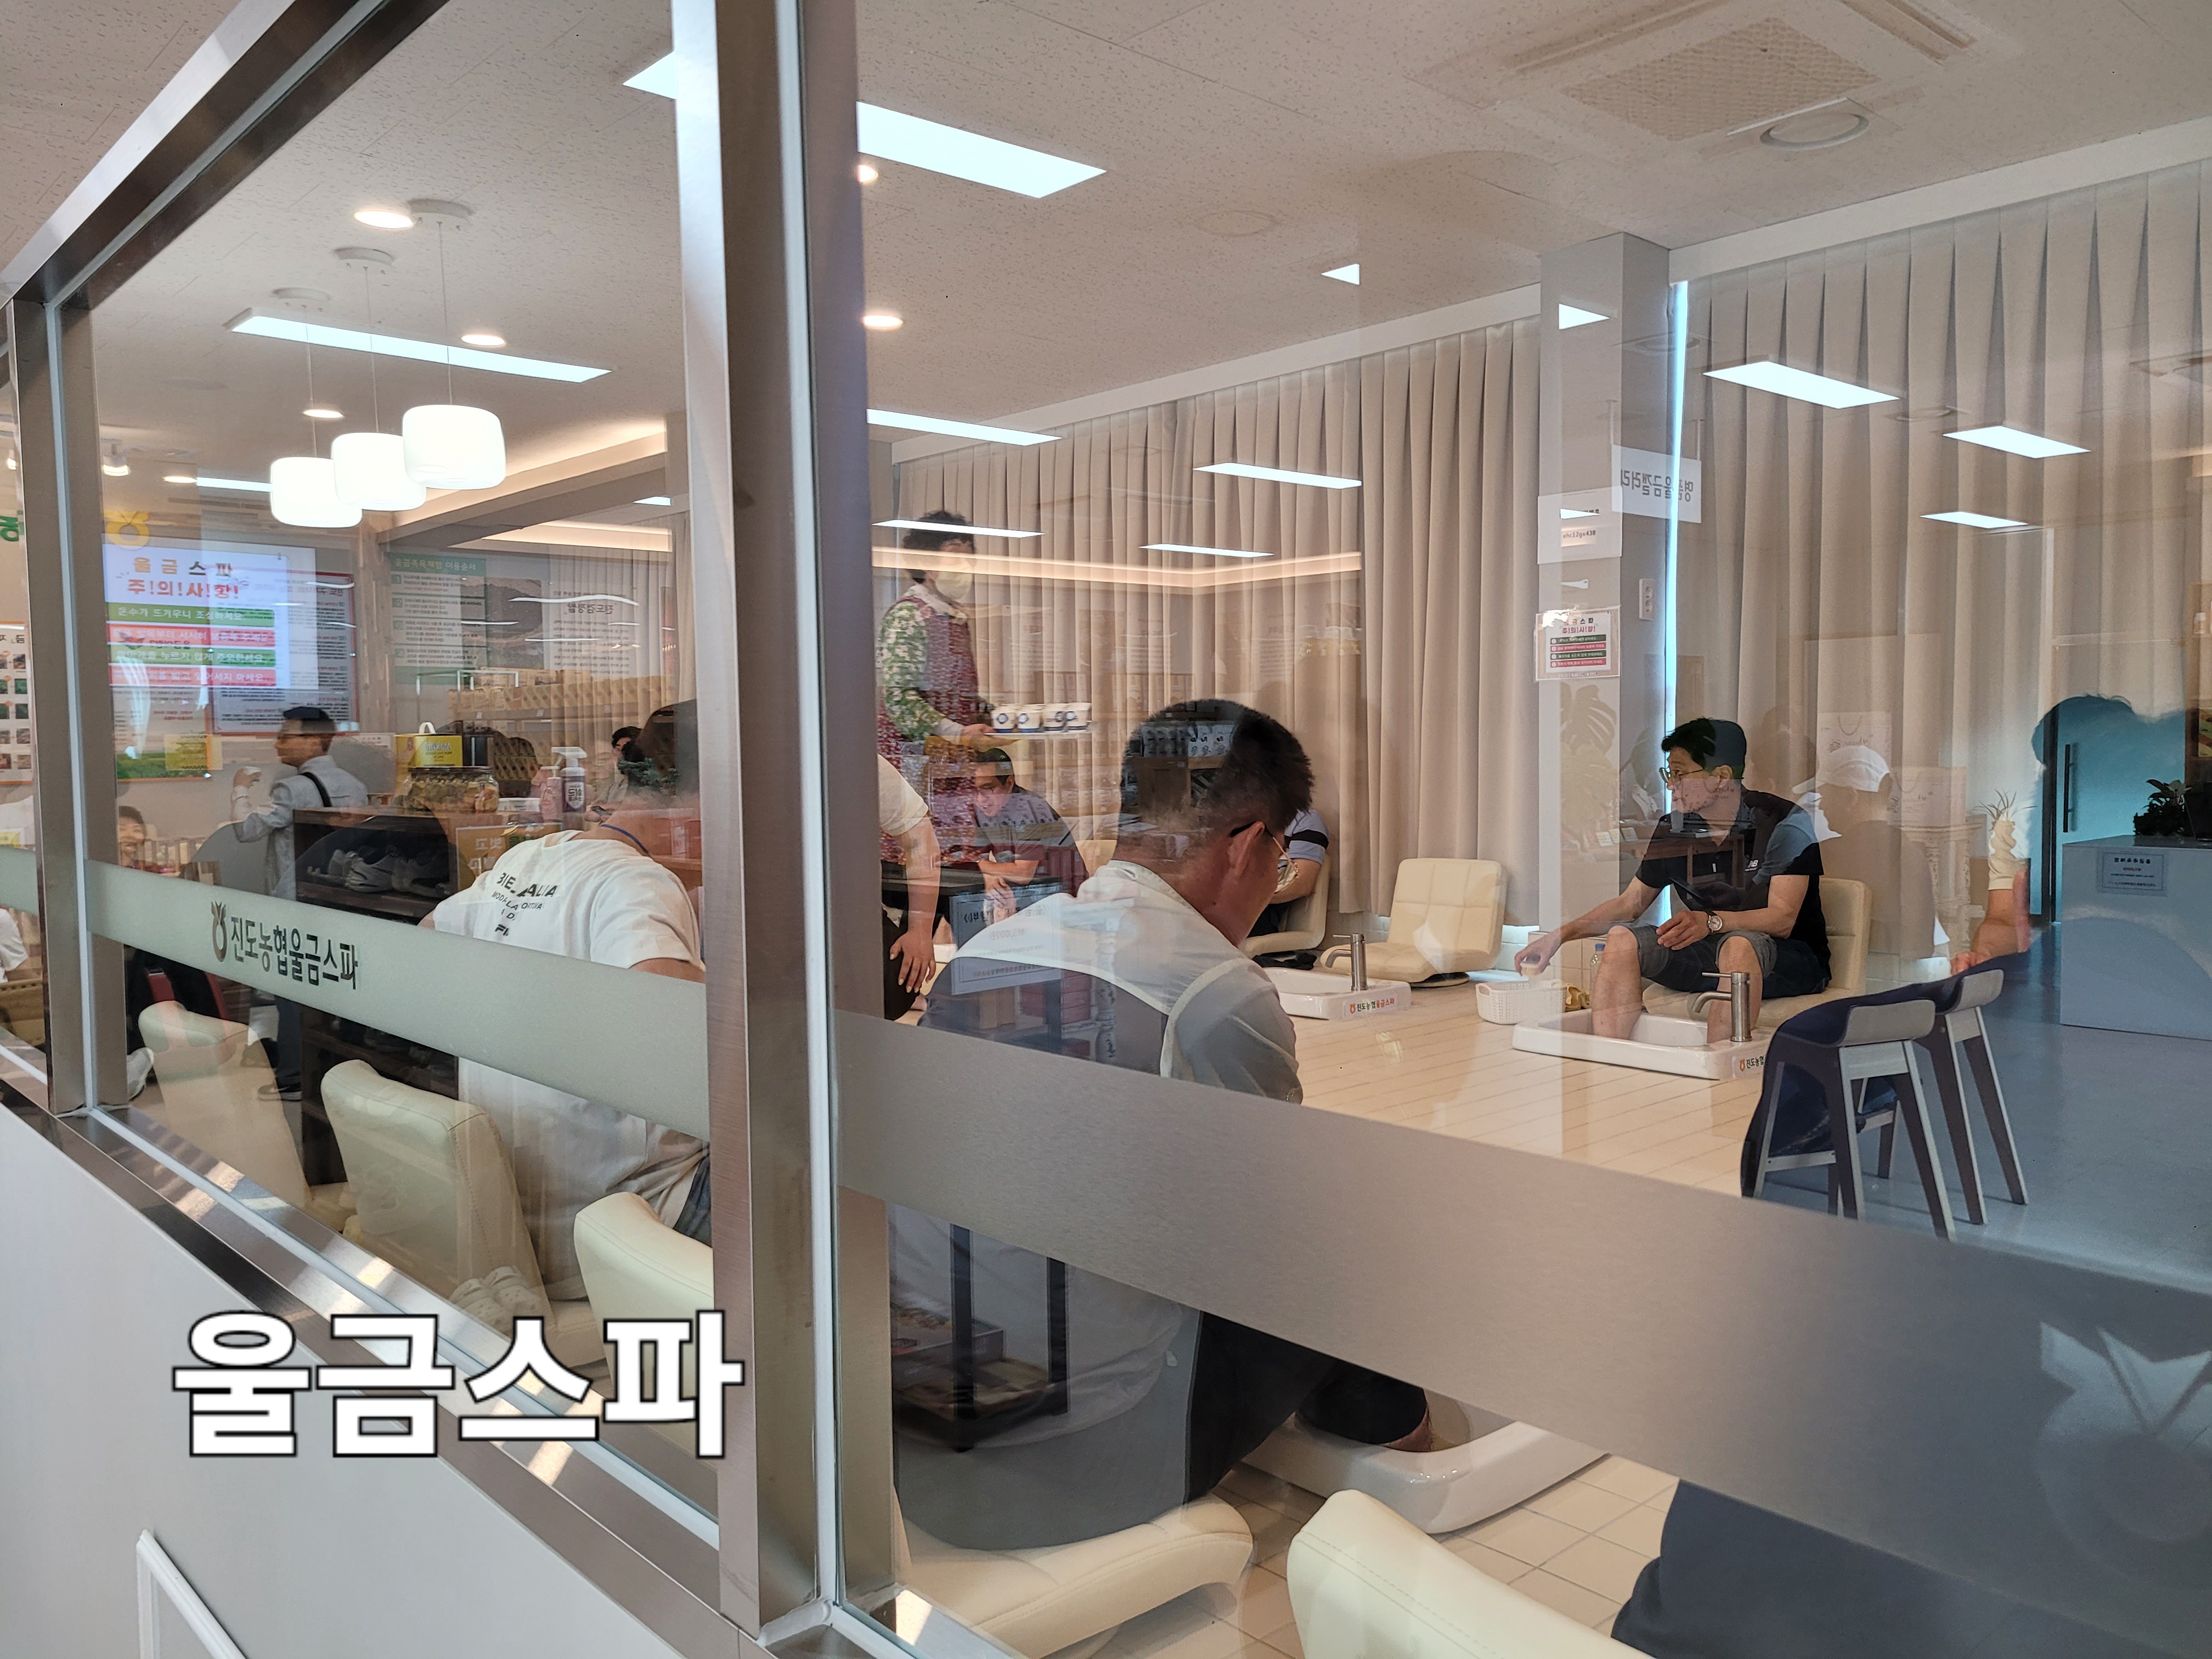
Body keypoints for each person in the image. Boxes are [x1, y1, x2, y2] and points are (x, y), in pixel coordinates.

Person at [893, 699, 1430, 1551]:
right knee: (1342, 1230)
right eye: (1279, 860)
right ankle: (1411, 1465)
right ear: (1249, 846)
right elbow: (1271, 1229)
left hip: (910, 1430)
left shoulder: (995, 952)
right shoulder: (1214, 992)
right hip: (1066, 1469)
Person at [422, 702, 710, 1300]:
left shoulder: (531, 855)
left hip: (518, 1217)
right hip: (629, 1219)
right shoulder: (638, 882)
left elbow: (424, 944)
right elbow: (679, 1044)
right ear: (702, 802)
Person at [1516, 717, 1826, 1042]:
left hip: (1787, 959)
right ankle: (1609, 1056)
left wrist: (1711, 922)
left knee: (1738, 946)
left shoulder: (1783, 823)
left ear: (1721, 777)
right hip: (1708, 953)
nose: (1670, 785)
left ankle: (1718, 1065)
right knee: (1622, 940)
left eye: (1680, 774)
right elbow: (1630, 904)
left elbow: (1782, 919)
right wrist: (1559, 936)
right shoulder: (1675, 828)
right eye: (1669, 773)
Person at [876, 509, 996, 795]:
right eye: (954, 555)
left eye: (969, 556)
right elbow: (900, 700)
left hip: (954, 759)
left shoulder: (954, 617)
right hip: (915, 761)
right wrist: (956, 732)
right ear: (925, 562)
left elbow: (956, 693)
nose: (965, 565)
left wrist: (997, 718)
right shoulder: (909, 616)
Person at [229, 706, 369, 900]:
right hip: (341, 889)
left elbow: (247, 830)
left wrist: (240, 788)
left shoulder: (291, 789)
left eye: (284, 738)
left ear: (314, 741)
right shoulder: (356, 786)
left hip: (295, 894)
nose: (277, 745)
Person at [956, 746, 1081, 923]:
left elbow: (1023, 874)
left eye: (988, 789)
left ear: (1009, 784)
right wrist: (989, 877)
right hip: (1021, 888)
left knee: (986, 903)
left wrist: (983, 866)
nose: (980, 799)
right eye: (974, 790)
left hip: (1059, 893)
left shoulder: (1031, 808)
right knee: (961, 900)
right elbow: (974, 858)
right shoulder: (979, 809)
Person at [879, 756, 941, 1019]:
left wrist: (920, 931)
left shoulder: (856, 762)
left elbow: (920, 838)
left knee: (896, 983)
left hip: (848, 917)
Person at [1251, 802, 1328, 939]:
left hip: (1257, 912)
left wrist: (1247, 900)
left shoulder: (1305, 820)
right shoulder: (1231, 819)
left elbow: (1302, 884)